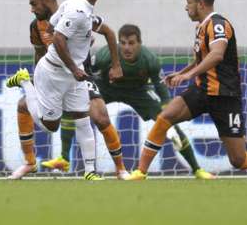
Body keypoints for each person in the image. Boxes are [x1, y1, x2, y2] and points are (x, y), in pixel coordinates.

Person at [126, 0, 247, 180]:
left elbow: (217, 55)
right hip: (201, 91)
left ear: (201, 4)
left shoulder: (218, 24)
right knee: (164, 118)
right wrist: (182, 71)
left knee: (238, 160)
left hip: (225, 96)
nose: (186, 7)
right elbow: (203, 56)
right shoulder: (201, 27)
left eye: (189, 2)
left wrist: (187, 75)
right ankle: (140, 172)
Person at [43, 24, 215, 179]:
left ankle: (196, 169)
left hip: (139, 93)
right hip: (106, 88)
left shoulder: (149, 60)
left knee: (170, 125)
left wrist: (166, 108)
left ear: (139, 43)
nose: (127, 47)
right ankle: (64, 158)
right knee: (74, 109)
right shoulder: (105, 55)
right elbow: (87, 71)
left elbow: (161, 88)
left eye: (131, 43)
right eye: (123, 43)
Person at [6, 0, 123, 180]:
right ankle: (24, 83)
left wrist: (82, 45)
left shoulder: (77, 8)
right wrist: (73, 65)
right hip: (57, 72)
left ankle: (91, 171)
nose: (32, 9)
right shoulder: (75, 11)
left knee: (85, 118)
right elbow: (57, 38)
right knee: (51, 126)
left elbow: (55, 29)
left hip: (76, 74)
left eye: (34, 4)